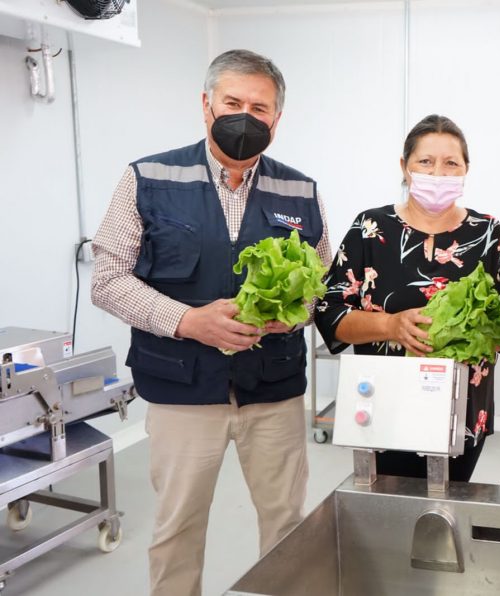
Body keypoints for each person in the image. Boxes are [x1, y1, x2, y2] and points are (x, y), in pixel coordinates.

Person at [91, 49, 331, 596]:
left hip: (273, 392)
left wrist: (287, 316)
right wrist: (186, 321)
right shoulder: (147, 178)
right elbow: (108, 279)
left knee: (286, 525)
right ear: (206, 105)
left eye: (260, 107)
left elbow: (320, 287)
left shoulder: (302, 191)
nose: (246, 115)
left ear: (277, 118)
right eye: (233, 102)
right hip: (181, 392)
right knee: (177, 530)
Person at [314, 114, 500, 482]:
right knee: (387, 518)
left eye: (450, 163)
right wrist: (390, 326)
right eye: (425, 162)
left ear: (466, 170)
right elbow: (329, 312)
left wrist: (474, 328)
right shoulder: (369, 229)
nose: (438, 174)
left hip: (461, 417)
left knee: (445, 517)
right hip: (383, 411)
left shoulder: (488, 232)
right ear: (404, 167)